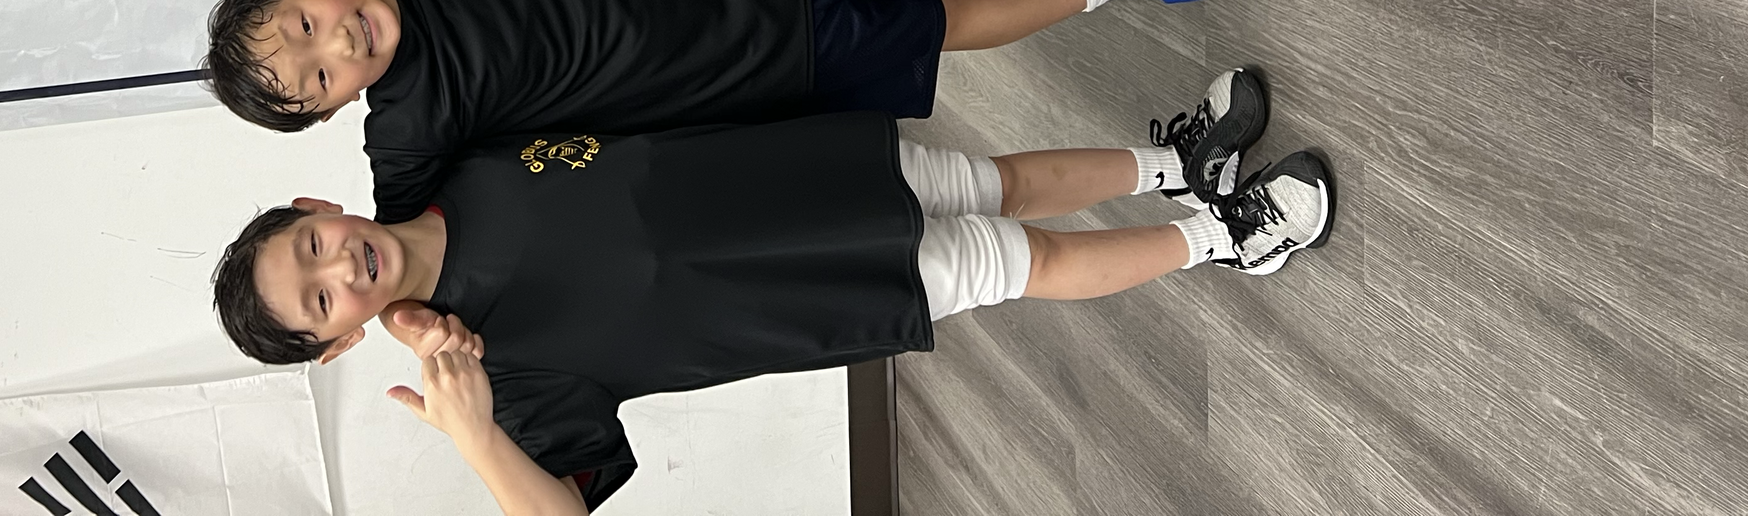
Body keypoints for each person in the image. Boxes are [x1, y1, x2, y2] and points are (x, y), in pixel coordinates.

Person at [213, 106, 1333, 511]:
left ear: (316, 204)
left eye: (312, 245)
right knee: (1016, 256)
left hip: (797, 174)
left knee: (992, 180)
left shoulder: (449, 163)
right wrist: (468, 435)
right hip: (806, 293)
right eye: (321, 301)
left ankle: (1172, 165)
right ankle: (1223, 240)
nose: (341, 268)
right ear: (337, 342)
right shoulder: (487, 384)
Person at [202, 0, 1240, 230]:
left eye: (305, 23)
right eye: (319, 78)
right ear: (334, 112)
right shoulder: (409, 136)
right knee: (947, 27)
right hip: (749, 72)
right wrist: (327, 240)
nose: (333, 43)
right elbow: (390, 250)